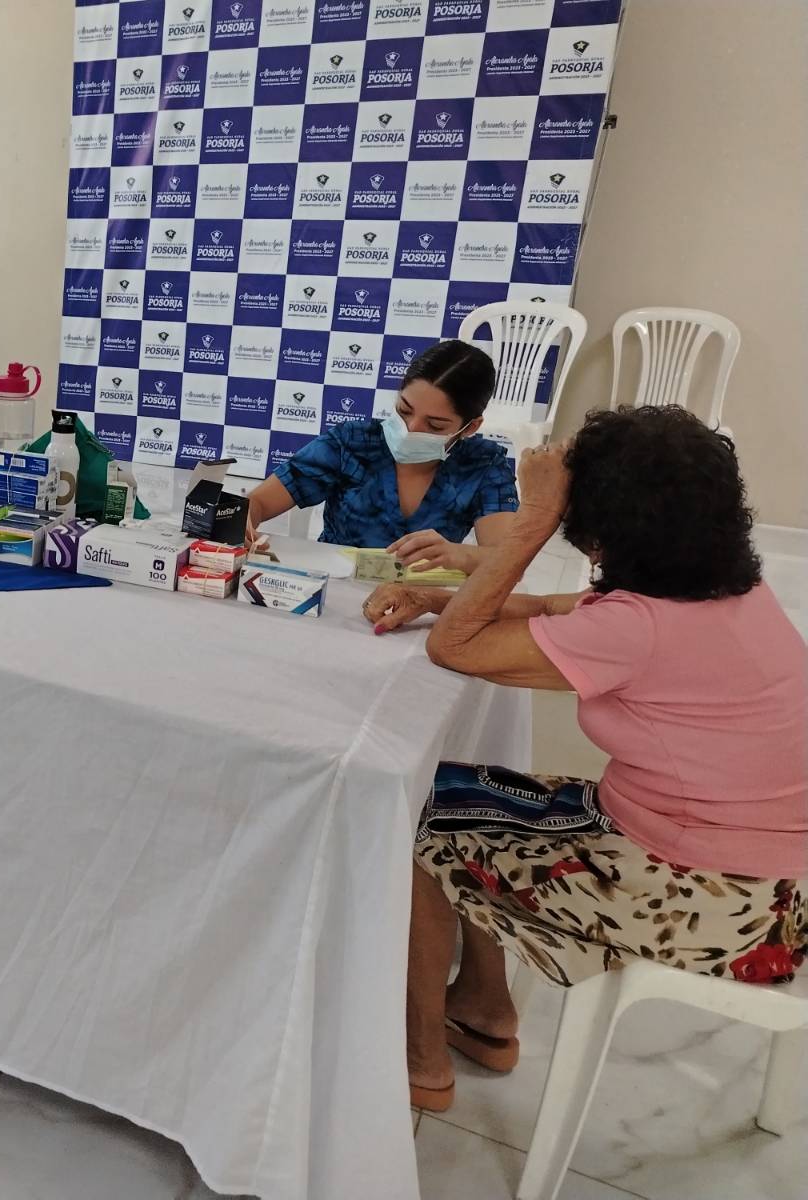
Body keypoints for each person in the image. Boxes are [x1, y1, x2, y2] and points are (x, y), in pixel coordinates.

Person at [362, 406, 806, 1111]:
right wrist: (431, 595)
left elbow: (456, 648)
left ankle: (423, 1060)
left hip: (702, 895)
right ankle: (484, 1009)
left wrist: (533, 519)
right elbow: (556, 607)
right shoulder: (730, 590)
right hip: (771, 883)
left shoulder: (636, 628)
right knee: (457, 796)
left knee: (412, 818)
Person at [244, 340, 517, 573]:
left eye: (434, 426)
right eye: (404, 410)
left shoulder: (483, 464)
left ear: (470, 427)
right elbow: (258, 502)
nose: (411, 429)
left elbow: (507, 560)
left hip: (420, 598)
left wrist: (460, 555)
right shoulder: (353, 443)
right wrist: (243, 520)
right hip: (334, 584)